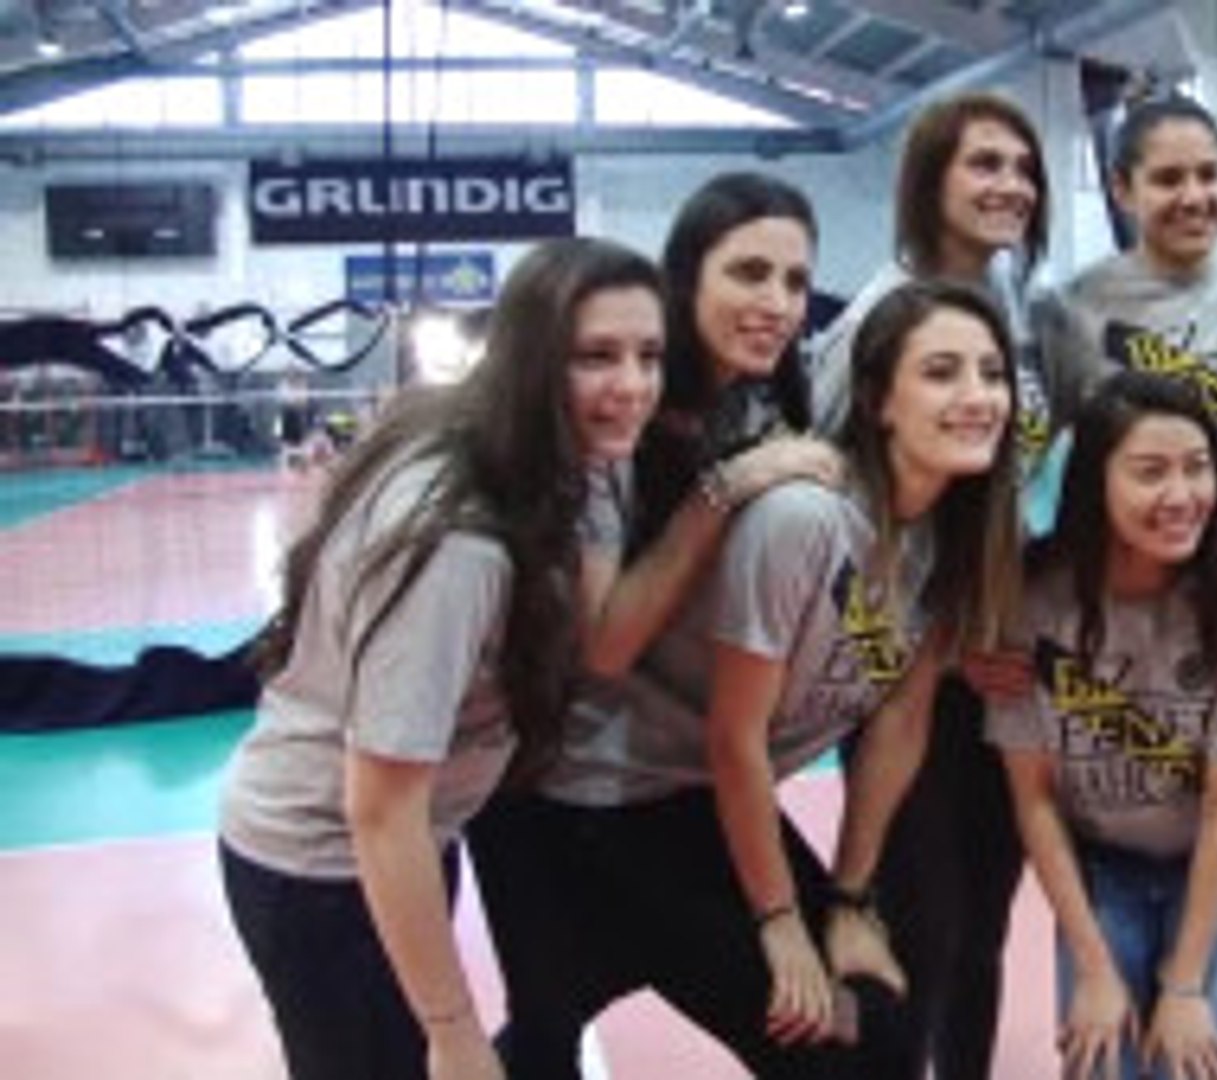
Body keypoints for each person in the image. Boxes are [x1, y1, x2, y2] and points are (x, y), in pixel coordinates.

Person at [218, 236, 669, 1080]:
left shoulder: (542, 454)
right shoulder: (456, 547)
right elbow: (379, 808)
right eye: (596, 356)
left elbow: (598, 639)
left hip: (411, 840)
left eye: (649, 355)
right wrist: (455, 1033)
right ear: (530, 362)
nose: (633, 385)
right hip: (321, 867)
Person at [466, 172, 845, 1079]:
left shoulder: (759, 401)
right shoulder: (614, 415)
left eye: (795, 281)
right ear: (686, 278)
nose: (776, 302)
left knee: (845, 1034)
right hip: (537, 782)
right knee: (547, 1028)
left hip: (667, 777)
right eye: (748, 272)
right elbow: (604, 646)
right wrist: (727, 489)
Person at [808, 90, 1053, 1079]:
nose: (1011, 184)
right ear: (928, 181)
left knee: (982, 925)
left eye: (1023, 167)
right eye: (984, 164)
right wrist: (920, 643)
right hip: (905, 669)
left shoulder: (1022, 312)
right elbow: (830, 491)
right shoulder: (878, 315)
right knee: (923, 924)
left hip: (990, 665)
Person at [993, 371, 1217, 1080]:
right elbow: (1033, 798)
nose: (1181, 495)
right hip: (1104, 865)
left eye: (1197, 468)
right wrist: (1094, 968)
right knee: (1100, 1062)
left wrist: (1184, 987)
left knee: (1187, 1062)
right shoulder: (1032, 599)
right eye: (1150, 472)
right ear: (1093, 483)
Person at [1046, 93, 1217, 552]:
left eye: (1210, 175)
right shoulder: (1076, 307)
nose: (1194, 197)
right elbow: (1026, 454)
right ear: (1122, 190)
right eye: (1168, 179)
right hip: (1153, 564)